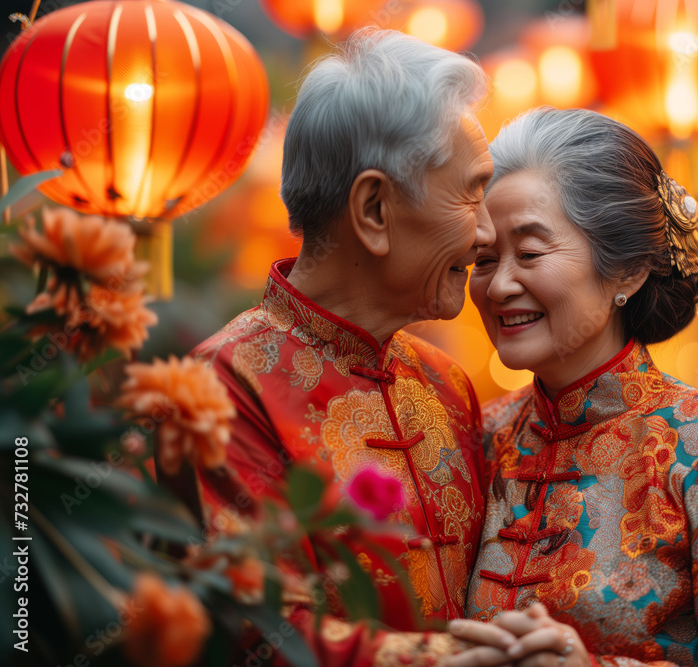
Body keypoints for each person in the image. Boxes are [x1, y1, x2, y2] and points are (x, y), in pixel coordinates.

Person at [181, 29, 512, 666]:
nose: (487, 232)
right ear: (374, 210)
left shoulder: (446, 384)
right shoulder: (221, 388)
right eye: (472, 192)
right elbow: (258, 635)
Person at [445, 108, 698, 666]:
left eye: (530, 253)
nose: (498, 285)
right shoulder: (484, 437)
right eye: (483, 258)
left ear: (626, 270)